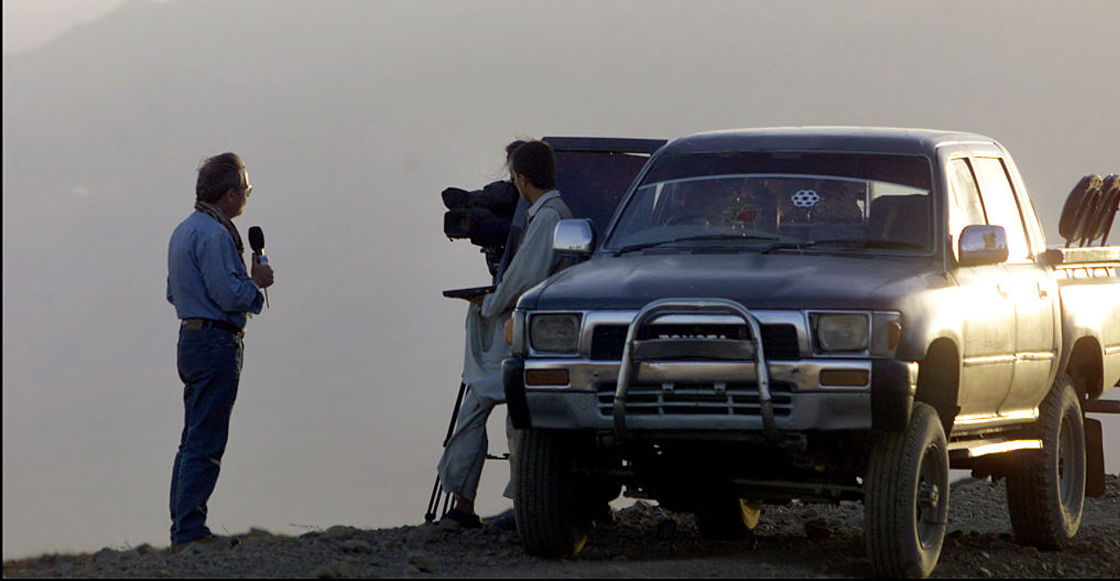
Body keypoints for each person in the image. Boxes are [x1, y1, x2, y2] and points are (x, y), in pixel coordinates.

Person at [437, 140, 573, 528]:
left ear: (523, 178)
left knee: (488, 408)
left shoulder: (547, 218)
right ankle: (477, 501)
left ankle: (474, 503)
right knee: (508, 415)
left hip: (526, 335)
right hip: (529, 332)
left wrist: (492, 302)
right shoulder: (550, 214)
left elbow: (524, 278)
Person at [165, 152, 274, 550]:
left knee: (192, 437)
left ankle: (184, 526)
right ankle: (191, 531)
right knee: (206, 440)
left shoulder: (183, 231)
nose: (246, 197)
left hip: (190, 338)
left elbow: (172, 292)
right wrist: (255, 283)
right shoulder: (214, 235)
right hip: (215, 341)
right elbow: (230, 295)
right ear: (229, 194)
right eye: (245, 190)